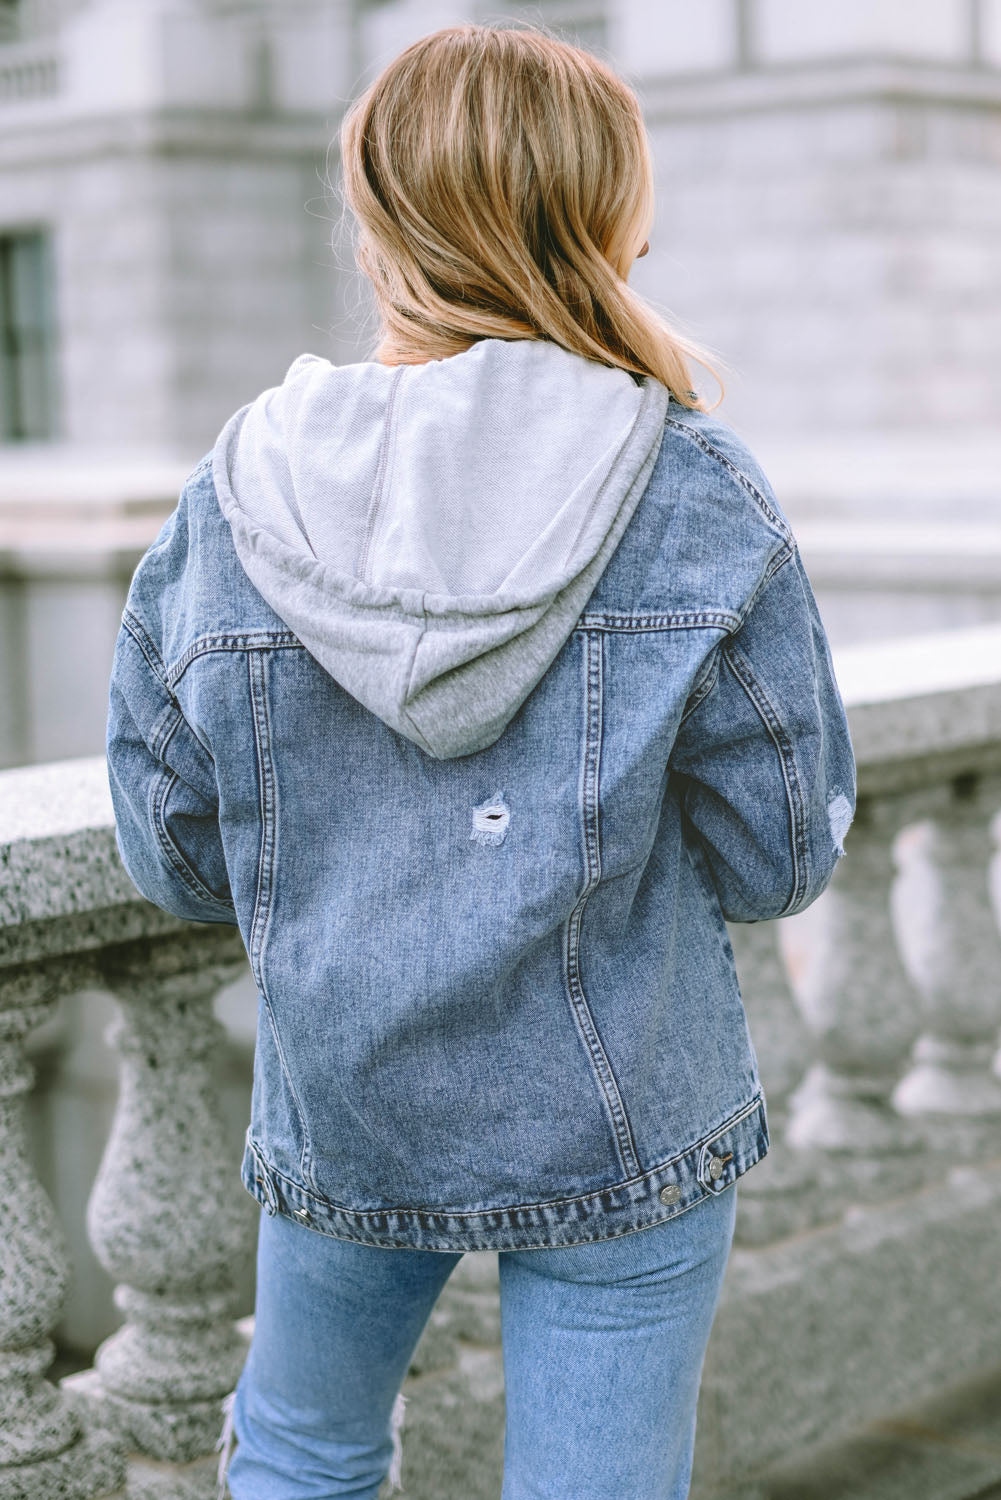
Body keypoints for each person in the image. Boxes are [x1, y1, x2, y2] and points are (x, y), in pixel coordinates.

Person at [105, 21, 856, 1500]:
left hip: (348, 1093)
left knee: (303, 1461)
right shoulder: (688, 481)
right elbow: (782, 853)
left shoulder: (235, 491)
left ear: (380, 217)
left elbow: (174, 851)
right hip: (621, 1100)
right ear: (600, 220)